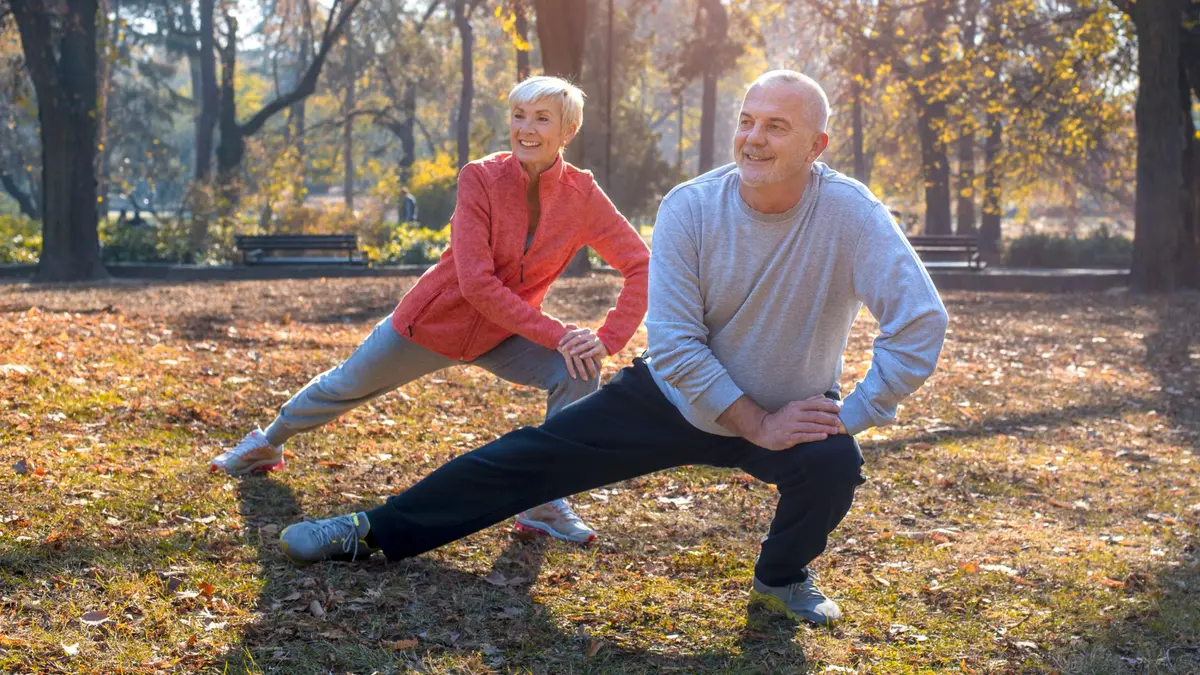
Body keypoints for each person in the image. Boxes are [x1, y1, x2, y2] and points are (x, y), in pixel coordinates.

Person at [278, 70, 949, 626]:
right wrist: (756, 423)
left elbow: (919, 321)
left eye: (777, 125)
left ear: (817, 144)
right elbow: (680, 346)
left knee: (834, 466)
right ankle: (371, 530)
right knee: (525, 459)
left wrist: (849, 413)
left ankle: (782, 577)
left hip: (790, 406)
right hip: (673, 398)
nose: (753, 136)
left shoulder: (850, 213)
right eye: (747, 120)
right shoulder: (692, 207)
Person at [211, 76, 650, 545]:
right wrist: (557, 332)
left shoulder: (582, 195)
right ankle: (267, 442)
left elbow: (642, 265)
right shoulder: (480, 178)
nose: (526, 128)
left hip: (503, 335)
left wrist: (605, 339)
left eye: (542, 119)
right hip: (433, 324)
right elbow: (477, 284)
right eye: (519, 115)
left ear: (567, 131)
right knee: (344, 384)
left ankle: (543, 499)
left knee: (579, 367)